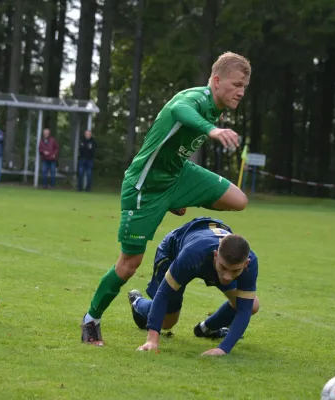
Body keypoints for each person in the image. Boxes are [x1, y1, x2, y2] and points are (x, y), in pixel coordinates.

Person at [81, 52, 251, 345]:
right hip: (145, 186)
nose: (241, 91)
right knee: (129, 264)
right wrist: (212, 130)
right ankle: (90, 320)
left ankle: (176, 200)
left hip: (178, 175)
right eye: (236, 84)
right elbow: (179, 110)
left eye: (244, 87)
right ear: (216, 80)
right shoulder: (196, 99)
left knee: (239, 200)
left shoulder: (216, 107)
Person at [128, 217, 259, 356]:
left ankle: (206, 329)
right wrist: (152, 340)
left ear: (246, 264)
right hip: (174, 250)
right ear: (216, 256)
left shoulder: (249, 263)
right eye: (224, 268)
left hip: (205, 247)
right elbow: (164, 294)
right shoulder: (191, 255)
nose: (227, 276)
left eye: (235, 271)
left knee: (253, 305)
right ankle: (138, 302)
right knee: (167, 322)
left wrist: (223, 349)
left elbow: (245, 308)